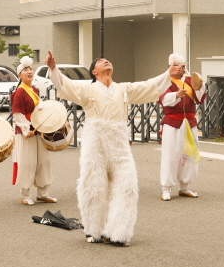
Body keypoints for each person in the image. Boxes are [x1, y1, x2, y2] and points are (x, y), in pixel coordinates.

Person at [46, 51, 181, 247]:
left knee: (127, 186)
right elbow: (65, 85)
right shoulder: (88, 90)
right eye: (101, 61)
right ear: (94, 71)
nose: (106, 61)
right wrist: (52, 68)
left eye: (107, 59)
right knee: (93, 186)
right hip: (95, 143)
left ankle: (119, 232)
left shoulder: (124, 89)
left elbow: (150, 86)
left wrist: (169, 73)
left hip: (119, 143)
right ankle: (94, 230)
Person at [158, 53, 206, 201]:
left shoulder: (190, 80)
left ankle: (185, 187)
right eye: (178, 66)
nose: (181, 69)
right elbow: (163, 99)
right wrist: (176, 95)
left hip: (189, 122)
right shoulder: (165, 81)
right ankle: (166, 189)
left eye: (183, 66)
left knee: (189, 155)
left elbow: (199, 98)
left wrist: (200, 85)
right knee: (170, 155)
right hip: (173, 122)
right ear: (170, 66)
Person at [11, 56, 56, 205]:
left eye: (30, 69)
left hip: (38, 129)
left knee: (44, 161)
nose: (29, 71)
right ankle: (24, 194)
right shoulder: (19, 92)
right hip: (27, 132)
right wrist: (25, 129)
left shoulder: (34, 89)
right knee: (28, 162)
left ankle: (43, 193)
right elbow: (17, 113)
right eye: (25, 70)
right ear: (19, 75)